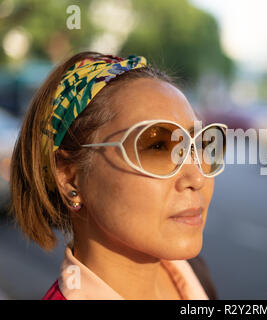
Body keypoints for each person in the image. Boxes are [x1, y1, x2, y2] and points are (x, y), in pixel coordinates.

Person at [8, 52, 227, 300]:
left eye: (199, 144)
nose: (197, 178)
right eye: (157, 147)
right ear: (68, 177)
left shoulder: (193, 271)